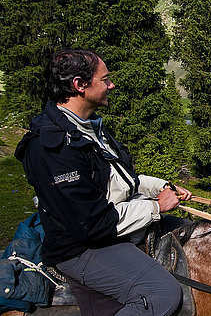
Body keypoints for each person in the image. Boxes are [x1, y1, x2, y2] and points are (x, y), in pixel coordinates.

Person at [15, 49, 192, 315]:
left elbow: (119, 180)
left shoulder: (86, 127)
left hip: (108, 225)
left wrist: (160, 187)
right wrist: (156, 208)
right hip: (80, 248)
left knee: (197, 234)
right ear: (79, 85)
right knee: (162, 293)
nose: (112, 85)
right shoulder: (52, 148)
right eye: (105, 79)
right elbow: (93, 224)